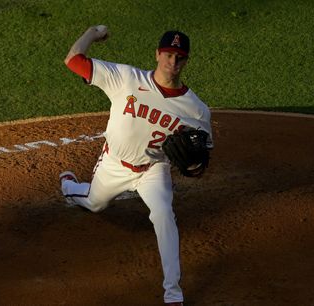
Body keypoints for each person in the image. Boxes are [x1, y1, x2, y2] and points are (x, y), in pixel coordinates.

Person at [61, 25, 213, 306]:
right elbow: (74, 60)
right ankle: (69, 186)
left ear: (186, 60)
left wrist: (195, 168)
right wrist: (93, 33)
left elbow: (202, 158)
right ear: (157, 54)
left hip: (153, 171)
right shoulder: (126, 79)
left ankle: (173, 293)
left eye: (179, 57)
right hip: (114, 164)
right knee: (94, 202)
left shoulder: (197, 110)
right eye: (168, 55)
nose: (173, 62)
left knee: (163, 214)